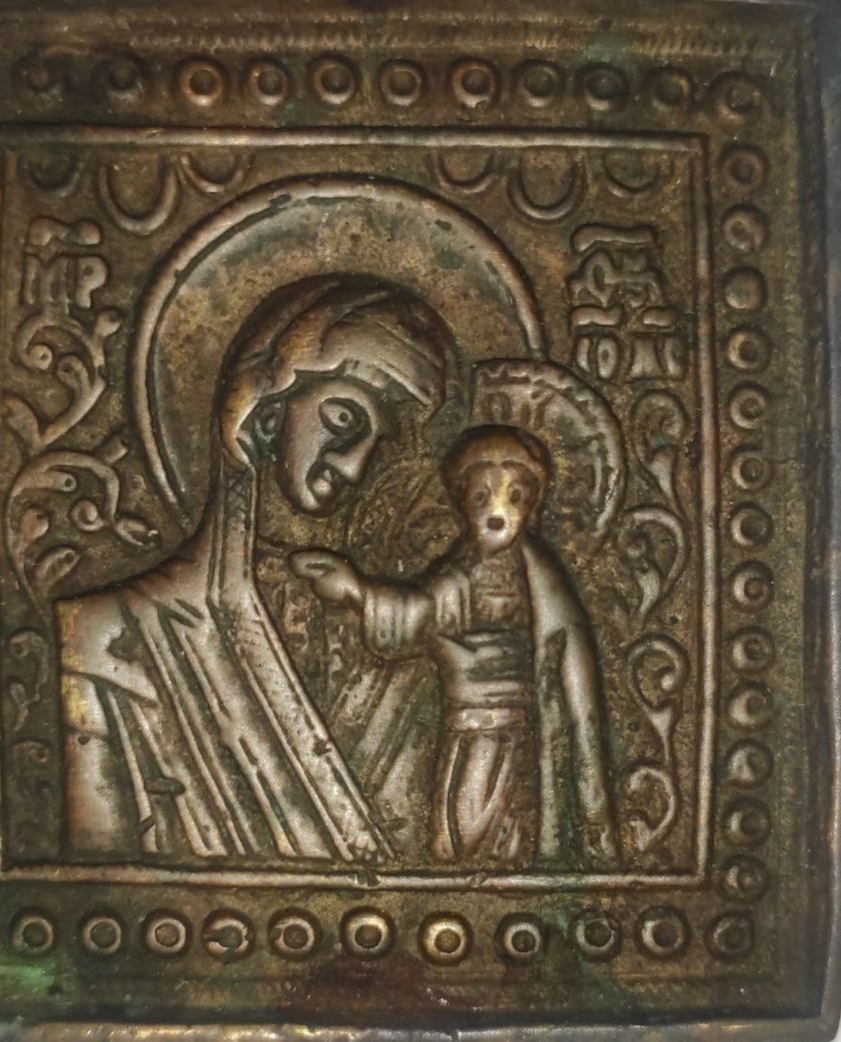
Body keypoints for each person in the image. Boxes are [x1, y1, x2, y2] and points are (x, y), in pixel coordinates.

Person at [55, 275, 454, 864]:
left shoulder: (407, 658)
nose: (354, 467)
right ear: (265, 410)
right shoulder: (106, 639)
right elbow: (96, 892)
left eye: (379, 445)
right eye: (343, 419)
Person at [291, 425, 618, 869]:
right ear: (462, 503)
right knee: (460, 819)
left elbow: (563, 648)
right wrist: (357, 592)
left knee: (490, 819)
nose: (497, 513)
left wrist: (357, 592)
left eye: (515, 497)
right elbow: (421, 612)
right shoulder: (464, 570)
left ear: (533, 506)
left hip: (511, 723)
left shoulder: (539, 576)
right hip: (465, 718)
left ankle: (500, 874)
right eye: (482, 497)